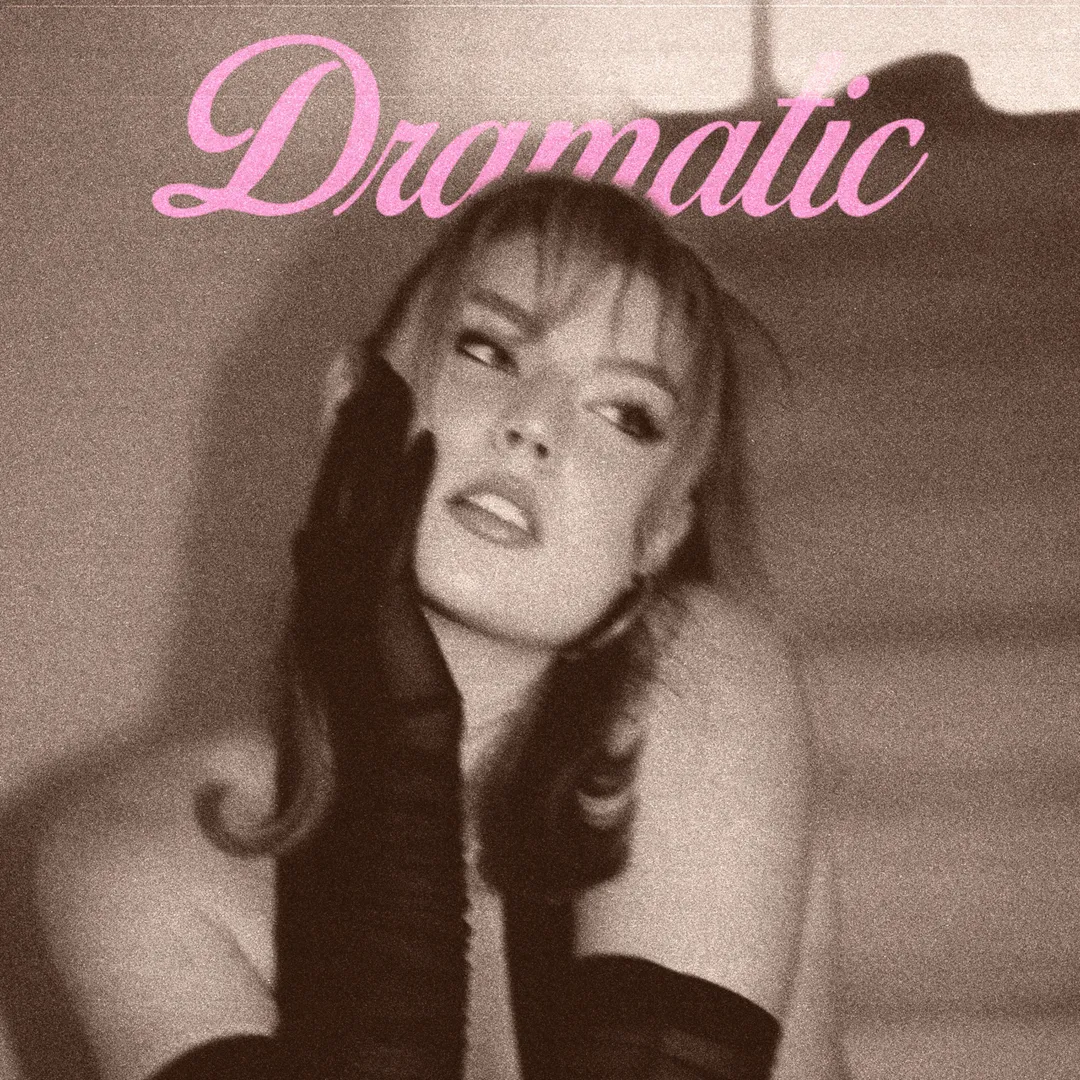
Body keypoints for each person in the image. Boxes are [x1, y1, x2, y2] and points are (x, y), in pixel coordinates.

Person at [34, 175, 846, 1080]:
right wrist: (395, 751)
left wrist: (396, 738)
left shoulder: (709, 680)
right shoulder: (141, 847)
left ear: (656, 537)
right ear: (351, 402)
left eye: (624, 412)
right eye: (488, 350)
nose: (533, 426)